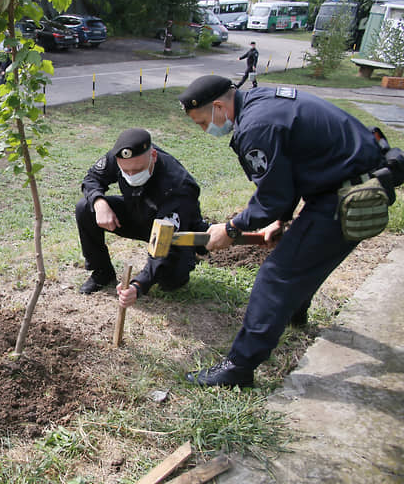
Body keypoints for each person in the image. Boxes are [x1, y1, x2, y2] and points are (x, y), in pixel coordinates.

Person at [177, 75, 390, 388]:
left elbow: (271, 197)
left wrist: (232, 228)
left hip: (347, 197)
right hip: (343, 182)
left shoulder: (255, 127)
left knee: (276, 276)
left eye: (201, 122)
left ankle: (239, 367)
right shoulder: (261, 102)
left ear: (220, 106)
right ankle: (294, 313)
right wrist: (282, 219)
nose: (204, 129)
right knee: (301, 254)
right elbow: (288, 170)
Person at [75, 128, 208, 298]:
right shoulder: (119, 158)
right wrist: (99, 202)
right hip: (138, 214)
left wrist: (138, 285)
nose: (131, 175)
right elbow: (92, 178)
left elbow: (164, 240)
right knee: (85, 207)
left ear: (153, 155)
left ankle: (189, 253)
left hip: (174, 232)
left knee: (170, 281)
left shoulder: (178, 184)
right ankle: (102, 272)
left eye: (138, 170)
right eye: (126, 171)